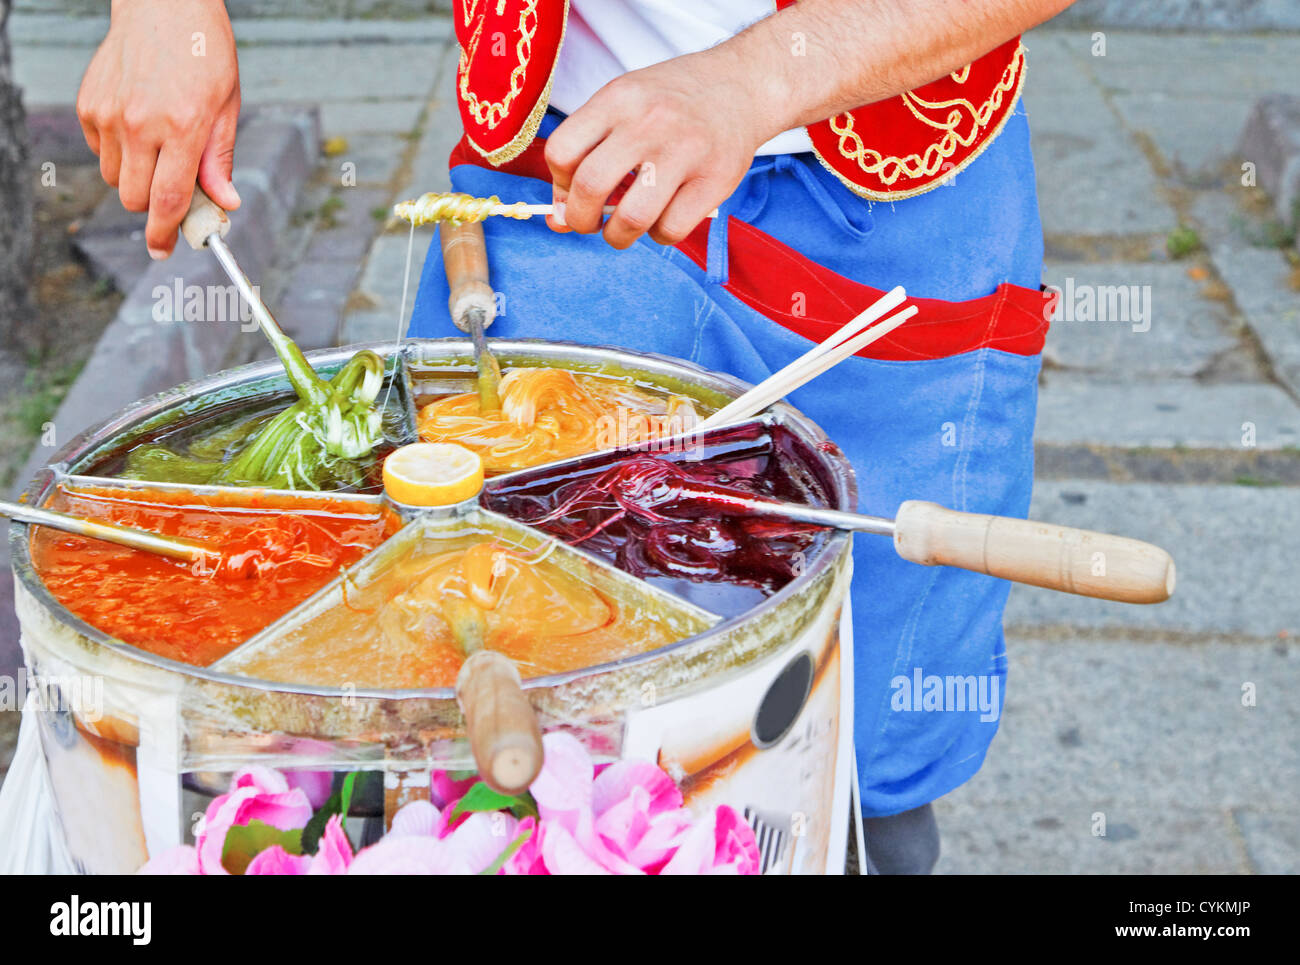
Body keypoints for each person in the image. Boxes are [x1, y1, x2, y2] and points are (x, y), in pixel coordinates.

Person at [77, 0, 1075, 874]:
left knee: (856, 746)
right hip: (563, 166)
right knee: (471, 701)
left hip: (890, 192)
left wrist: (754, 78)